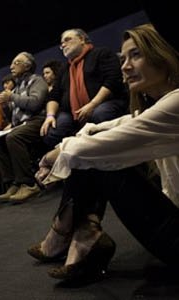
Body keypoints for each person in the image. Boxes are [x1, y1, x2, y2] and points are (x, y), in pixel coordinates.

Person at [28, 23, 179, 281]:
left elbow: (95, 146)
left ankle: (65, 234)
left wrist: (52, 155)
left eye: (136, 55)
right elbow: (101, 130)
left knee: (93, 157)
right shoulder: (156, 107)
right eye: (125, 57)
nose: (125, 66)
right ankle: (81, 237)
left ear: (162, 55)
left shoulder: (175, 104)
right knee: (89, 147)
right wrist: (69, 144)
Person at [40, 28, 128, 149]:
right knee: (51, 131)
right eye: (62, 44)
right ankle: (69, 160)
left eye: (67, 40)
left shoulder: (101, 53)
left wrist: (92, 104)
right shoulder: (64, 69)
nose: (64, 44)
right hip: (73, 112)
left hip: (105, 102)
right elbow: (54, 95)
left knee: (100, 113)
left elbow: (112, 80)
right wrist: (50, 116)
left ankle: (110, 153)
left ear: (82, 39)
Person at [0, 51, 49, 202]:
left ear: (27, 66)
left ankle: (28, 184)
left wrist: (11, 97)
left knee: (14, 137)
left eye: (16, 63)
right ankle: (14, 183)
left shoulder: (37, 80)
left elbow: (35, 103)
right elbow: (16, 113)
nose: (11, 66)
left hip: (37, 120)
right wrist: (6, 105)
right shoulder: (17, 87)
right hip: (21, 125)